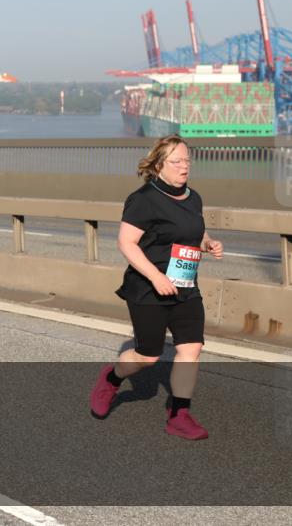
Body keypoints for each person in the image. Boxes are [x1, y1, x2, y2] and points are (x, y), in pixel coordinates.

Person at [89, 135, 223, 440]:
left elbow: (193, 231)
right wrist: (155, 277)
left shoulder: (193, 197)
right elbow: (126, 243)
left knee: (191, 348)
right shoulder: (143, 199)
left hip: (185, 285)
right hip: (148, 287)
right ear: (159, 165)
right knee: (147, 357)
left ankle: (179, 414)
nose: (184, 166)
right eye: (177, 161)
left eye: (188, 160)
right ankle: (111, 378)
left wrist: (208, 243)